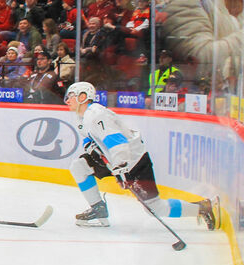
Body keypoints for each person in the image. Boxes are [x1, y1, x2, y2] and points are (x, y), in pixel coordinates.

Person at [64, 82, 217, 230]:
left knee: (154, 208)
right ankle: (98, 210)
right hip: (114, 160)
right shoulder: (80, 117)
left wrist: (121, 168)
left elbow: (117, 141)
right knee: (79, 166)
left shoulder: (96, 114)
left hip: (133, 160)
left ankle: (202, 208)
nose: (67, 100)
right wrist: (93, 151)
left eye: (71, 96)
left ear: (83, 97)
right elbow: (89, 140)